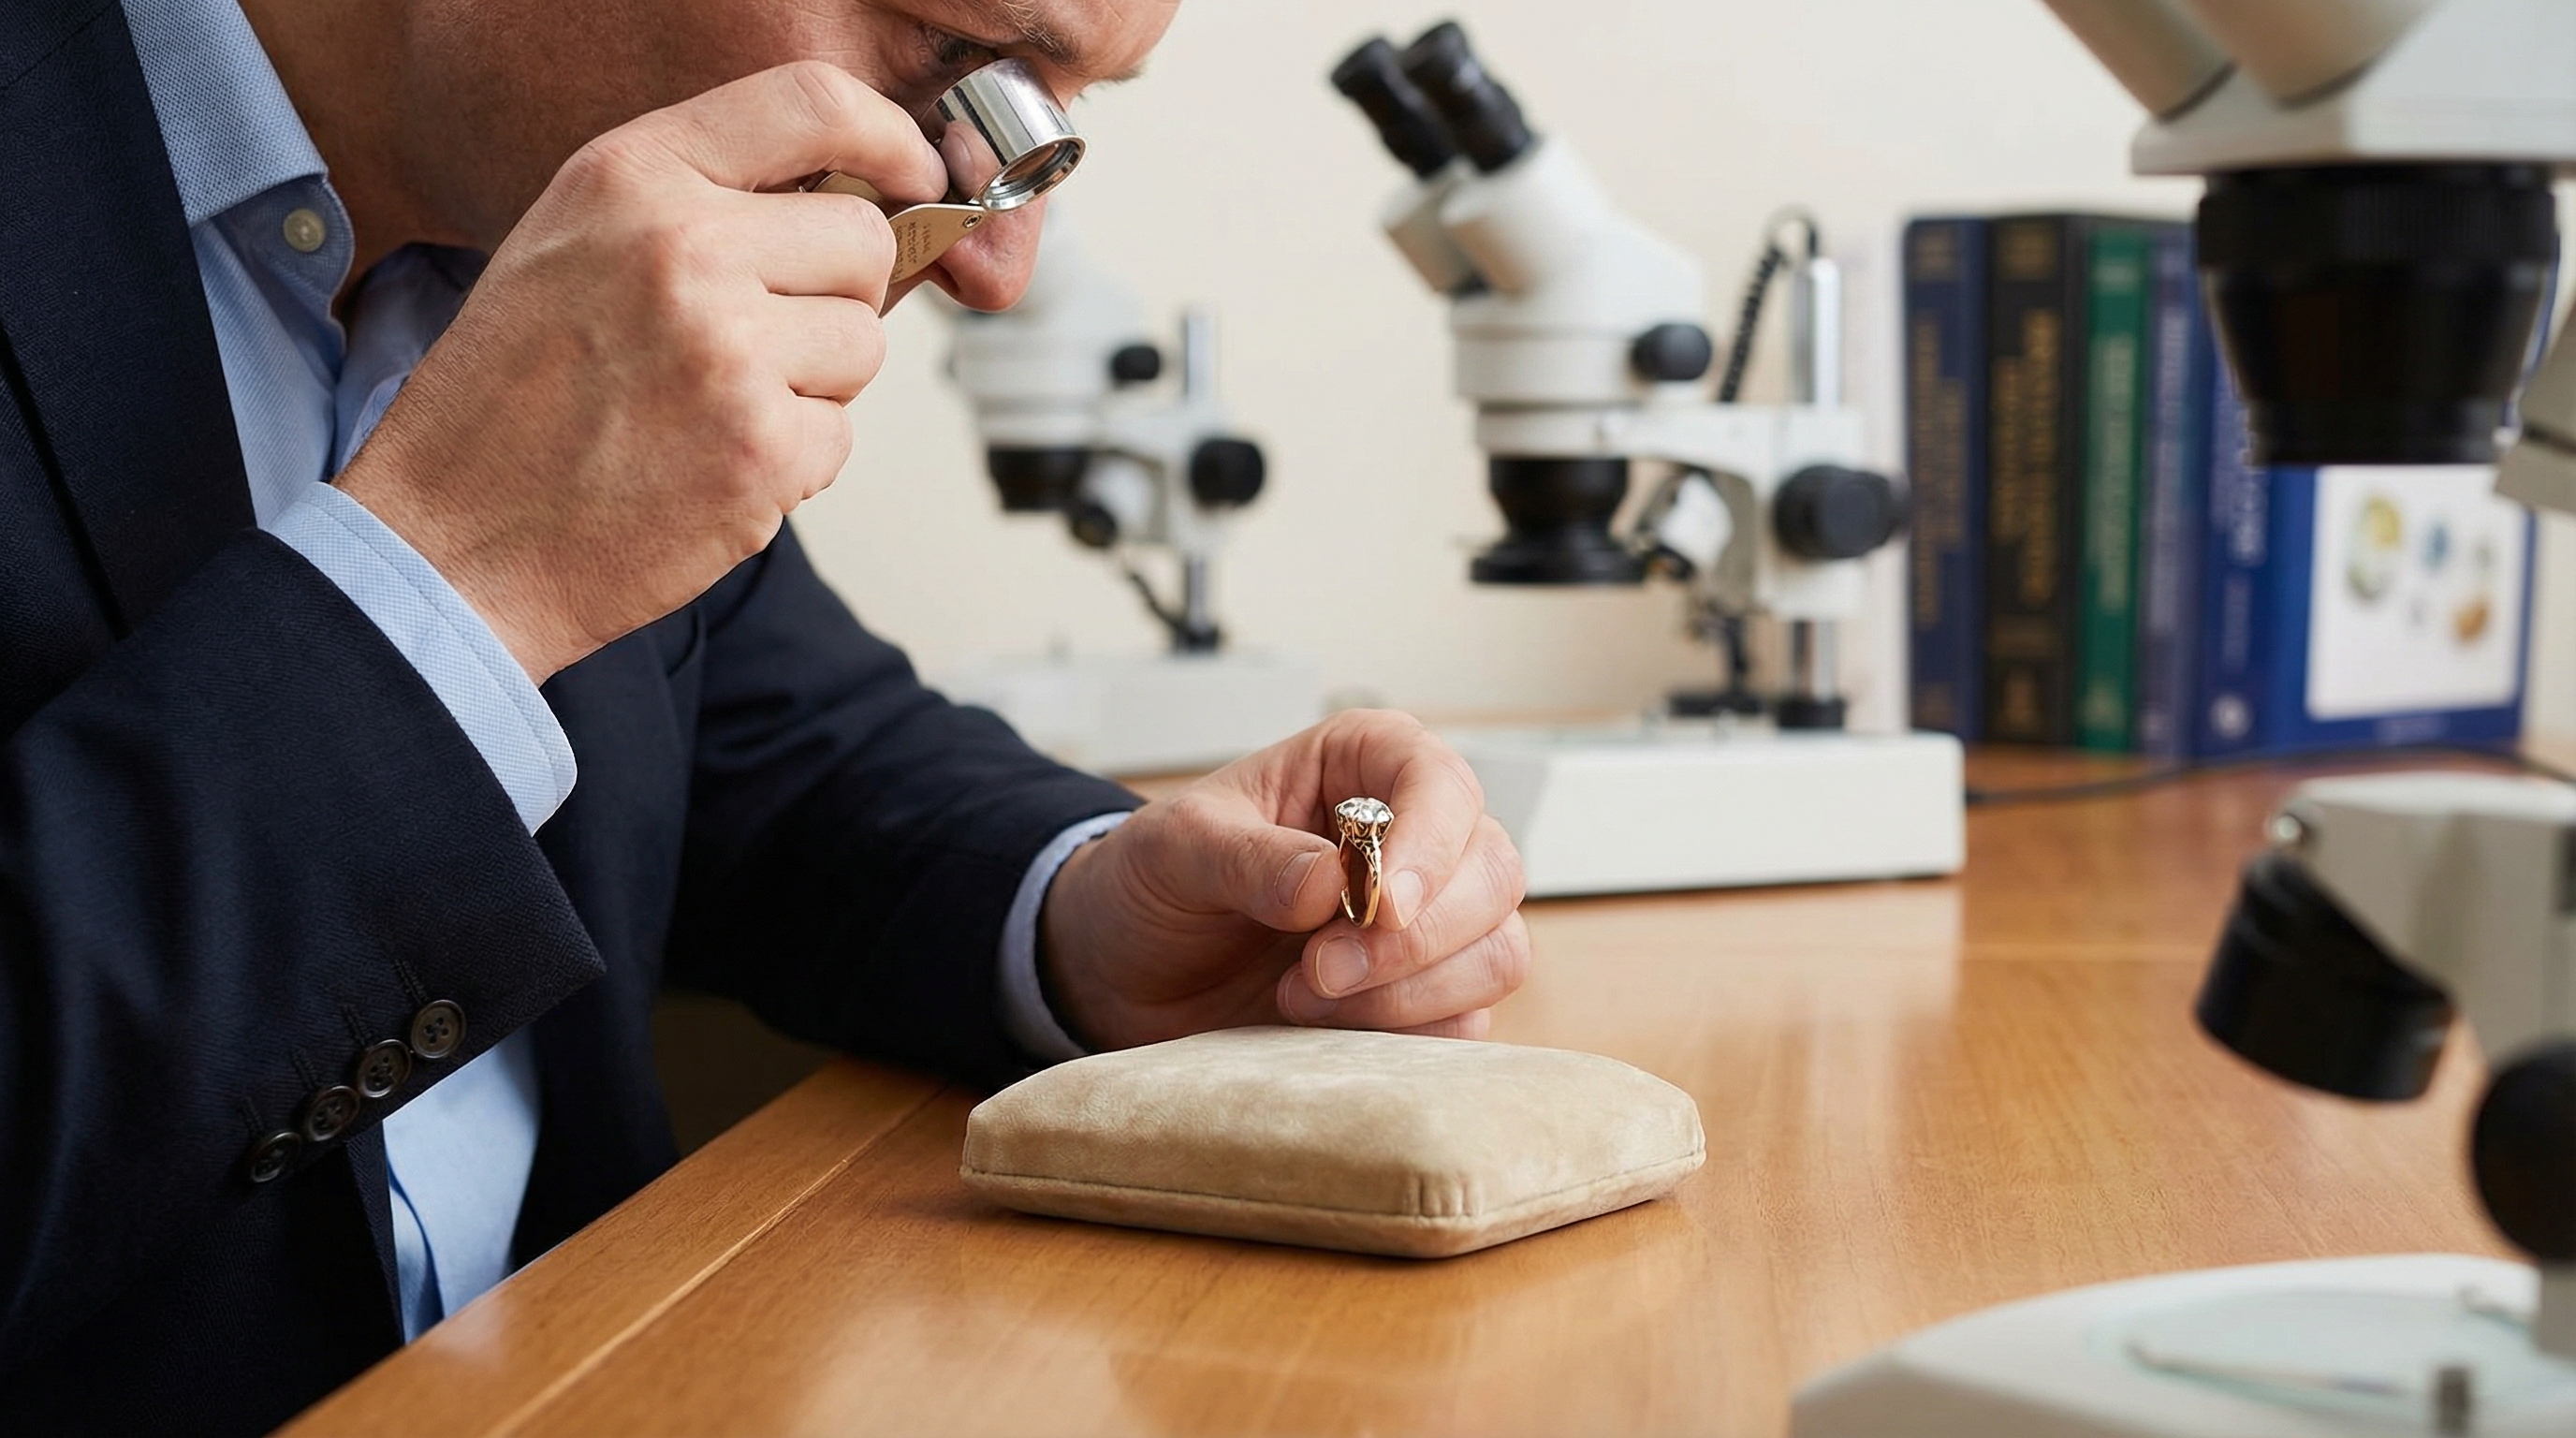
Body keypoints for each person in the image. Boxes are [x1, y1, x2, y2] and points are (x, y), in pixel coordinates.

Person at [0, 0, 1530, 1429]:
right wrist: (452, 582)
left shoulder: (520, 239)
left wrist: (1092, 912)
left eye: (1046, 119)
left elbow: (794, 754)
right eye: (957, 64)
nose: (996, 267)